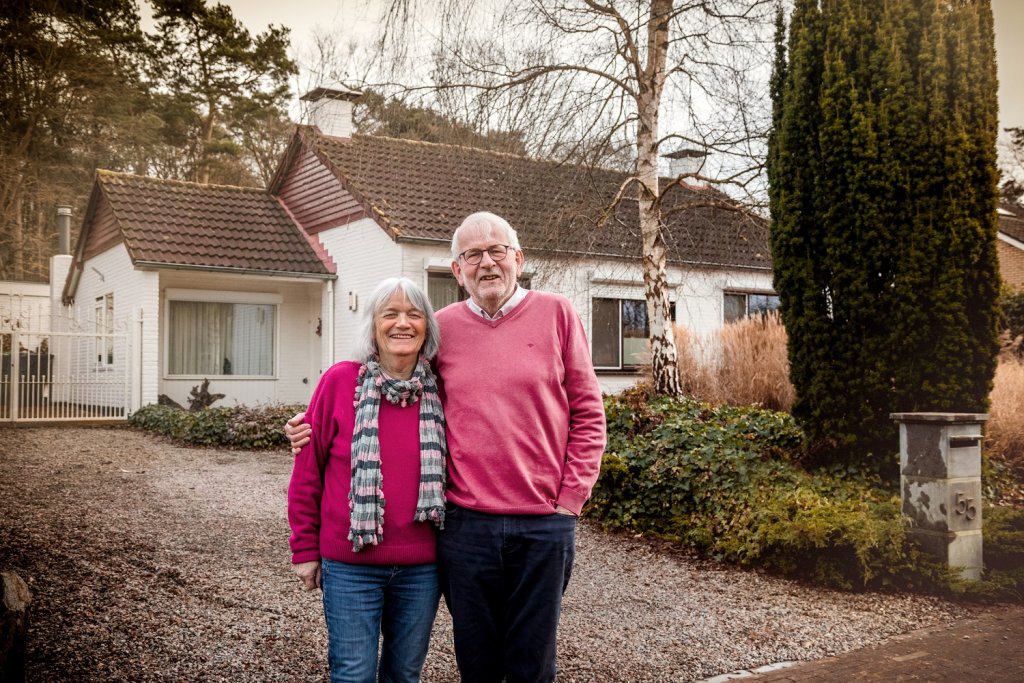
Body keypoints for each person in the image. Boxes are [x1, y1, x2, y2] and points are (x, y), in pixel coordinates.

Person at [288, 212, 607, 683]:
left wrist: (570, 500)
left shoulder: (558, 313)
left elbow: (588, 412)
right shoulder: (441, 329)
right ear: (457, 271)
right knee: (475, 660)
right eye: (472, 255)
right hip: (465, 525)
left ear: (518, 258)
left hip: (544, 524)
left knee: (532, 662)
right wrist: (304, 426)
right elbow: (383, 377)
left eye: (497, 250)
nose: (487, 263)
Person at [287, 276, 447, 683]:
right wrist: (305, 549)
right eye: (389, 313)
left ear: (427, 326)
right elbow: (308, 473)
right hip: (349, 564)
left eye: (414, 314)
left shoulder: (441, 390)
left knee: (404, 675)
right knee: (353, 674)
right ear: (373, 325)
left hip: (422, 568)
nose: (402, 323)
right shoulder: (340, 382)